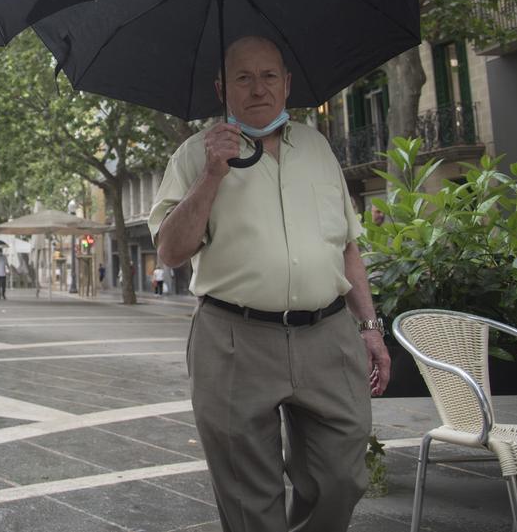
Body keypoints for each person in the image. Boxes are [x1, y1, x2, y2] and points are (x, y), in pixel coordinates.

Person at [148, 35, 390, 532]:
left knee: (341, 477)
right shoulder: (194, 155)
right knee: (248, 495)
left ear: (287, 83)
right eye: (243, 77)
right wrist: (213, 173)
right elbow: (171, 251)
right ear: (222, 88)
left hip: (327, 337)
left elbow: (347, 246)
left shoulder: (319, 148)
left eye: (268, 76)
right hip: (234, 339)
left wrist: (369, 326)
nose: (257, 88)